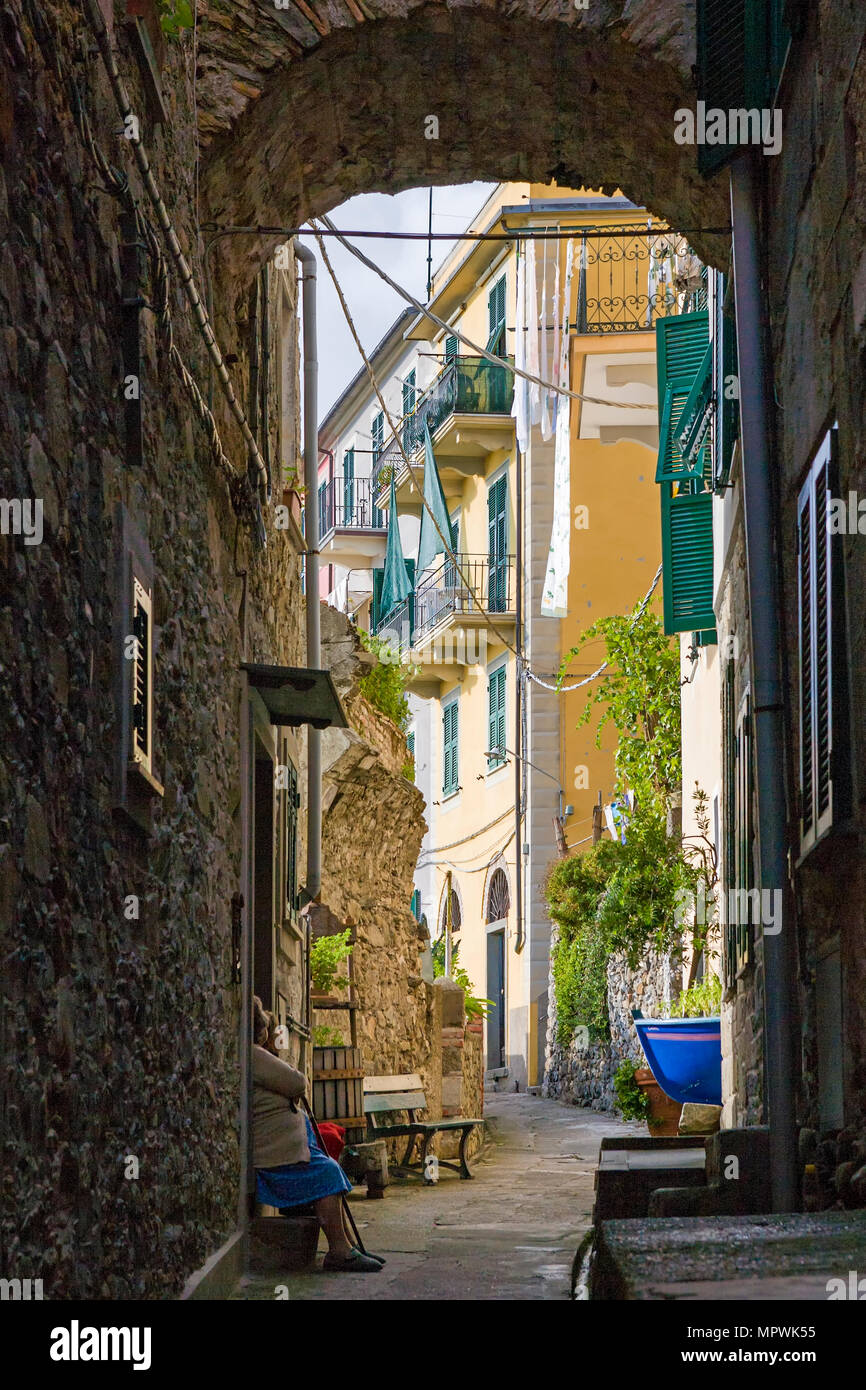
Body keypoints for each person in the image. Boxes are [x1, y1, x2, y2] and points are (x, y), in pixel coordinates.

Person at [251, 996, 382, 1272]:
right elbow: (297, 1082)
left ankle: (346, 1244)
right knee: (327, 1173)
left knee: (329, 1171)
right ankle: (340, 1251)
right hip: (275, 1158)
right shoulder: (254, 1055)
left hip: (283, 1151)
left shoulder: (256, 1055)